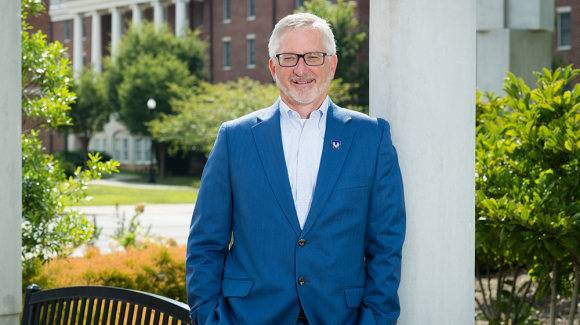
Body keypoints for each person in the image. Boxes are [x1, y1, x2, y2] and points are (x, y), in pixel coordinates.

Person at [186, 13, 406, 325]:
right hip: (249, 316)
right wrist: (208, 317)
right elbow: (206, 243)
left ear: (332, 65)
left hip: (341, 317)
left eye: (313, 57)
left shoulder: (371, 137)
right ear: (274, 68)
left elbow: (386, 244)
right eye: (289, 58)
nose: (301, 69)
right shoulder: (234, 138)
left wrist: (377, 320)